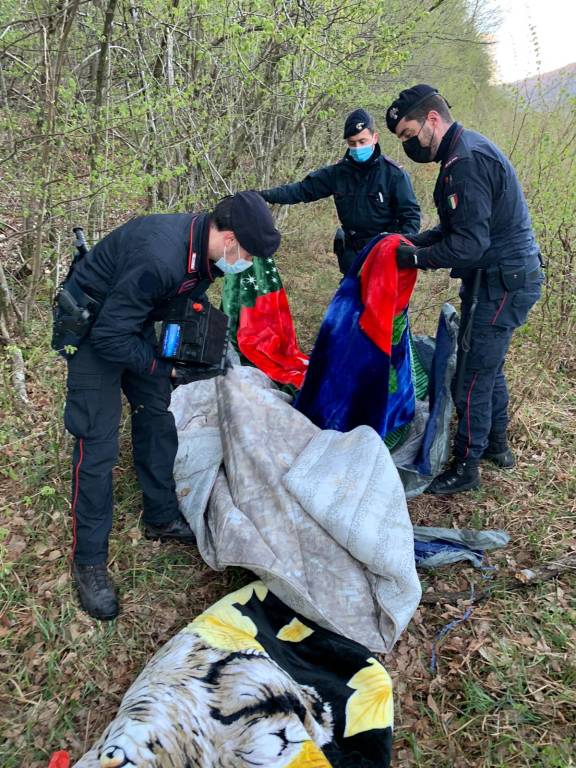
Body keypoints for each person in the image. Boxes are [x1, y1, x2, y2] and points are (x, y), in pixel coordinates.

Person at [55, 192, 281, 619]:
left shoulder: (205, 254)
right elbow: (107, 337)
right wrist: (163, 368)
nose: (246, 263)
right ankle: (88, 562)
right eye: (247, 254)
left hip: (128, 322)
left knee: (157, 416)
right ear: (230, 238)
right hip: (93, 333)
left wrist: (196, 343)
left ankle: (160, 516)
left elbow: (175, 303)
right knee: (96, 446)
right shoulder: (160, 256)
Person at [385, 84, 543, 495]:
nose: (409, 145)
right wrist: (413, 242)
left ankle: (466, 466)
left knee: (472, 374)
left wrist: (414, 259)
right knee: (489, 365)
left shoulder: (465, 162)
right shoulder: (462, 152)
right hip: (505, 275)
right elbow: (457, 227)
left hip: (501, 280)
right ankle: (497, 447)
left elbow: (469, 246)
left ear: (432, 120)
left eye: (409, 134)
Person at [259, 108, 421, 274]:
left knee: (384, 300)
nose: (358, 147)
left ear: (375, 138)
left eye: (362, 141)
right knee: (350, 299)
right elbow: (301, 190)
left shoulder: (394, 174)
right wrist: (262, 196)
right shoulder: (338, 173)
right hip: (352, 254)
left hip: (384, 255)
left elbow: (411, 216)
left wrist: (400, 248)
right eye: (352, 143)